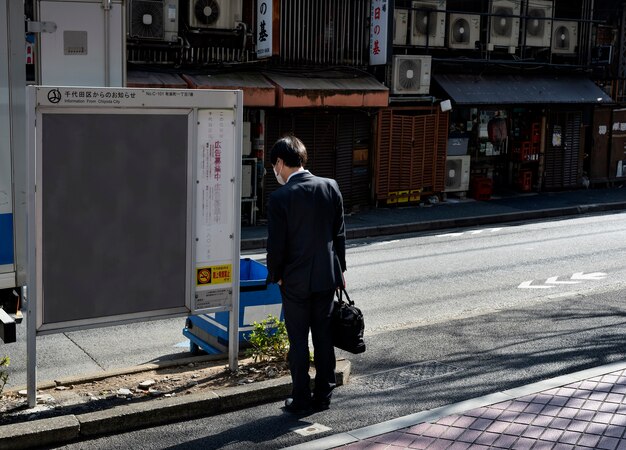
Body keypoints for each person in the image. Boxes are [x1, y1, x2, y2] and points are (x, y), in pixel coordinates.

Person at [266, 135, 347, 413]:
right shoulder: (330, 186)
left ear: (279, 162)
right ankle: (323, 395)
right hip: (326, 276)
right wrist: (341, 270)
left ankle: (300, 397)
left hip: (294, 280)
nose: (274, 171)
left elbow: (276, 245)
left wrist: (275, 274)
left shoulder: (280, 197)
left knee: (298, 340)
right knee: (323, 337)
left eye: (273, 165)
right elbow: (339, 233)